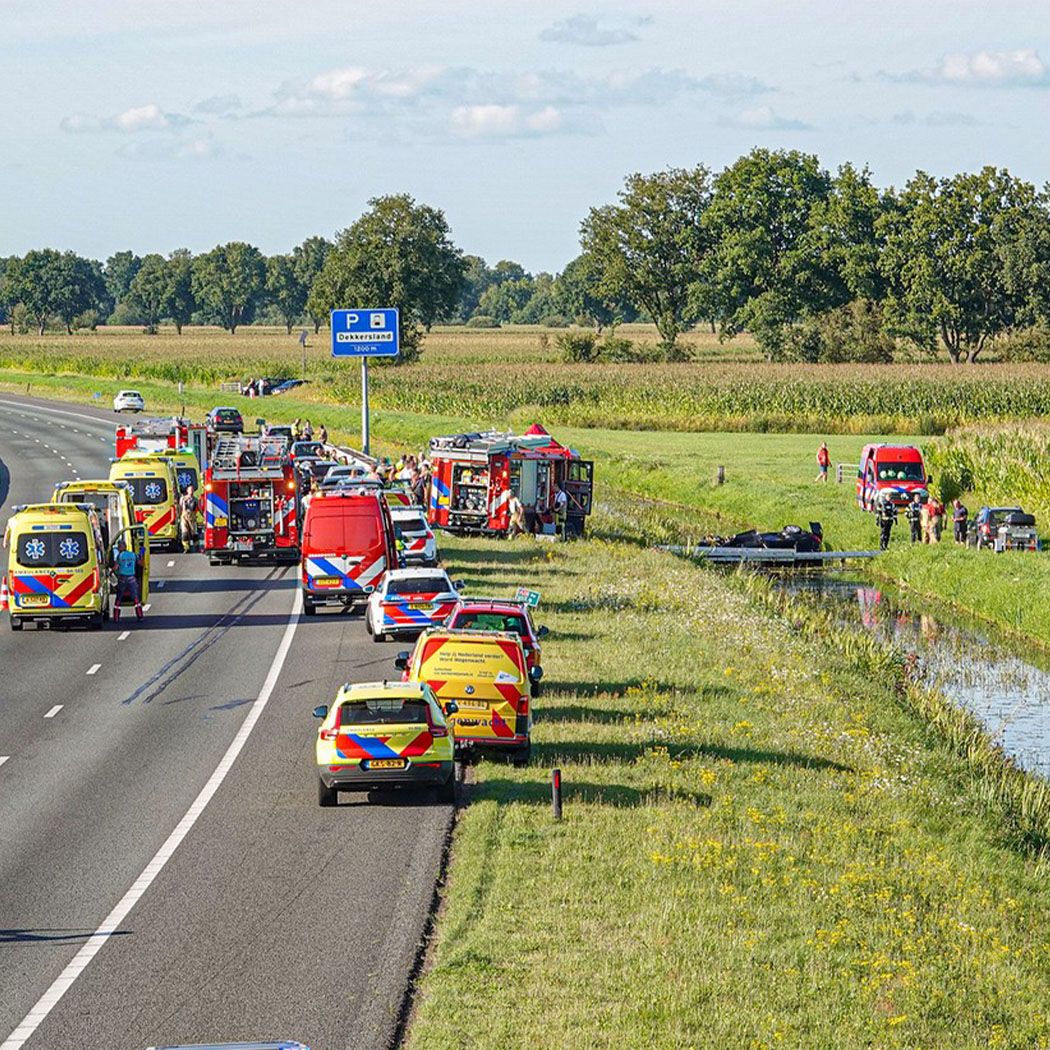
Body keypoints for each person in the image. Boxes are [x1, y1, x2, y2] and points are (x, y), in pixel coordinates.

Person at [112, 540, 143, 621]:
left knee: (119, 598)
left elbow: (116, 567)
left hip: (122, 578)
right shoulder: (133, 555)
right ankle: (140, 615)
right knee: (136, 598)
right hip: (132, 578)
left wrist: (110, 572)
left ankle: (116, 617)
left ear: (120, 547)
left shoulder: (120, 556)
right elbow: (140, 563)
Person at [178, 485, 199, 552]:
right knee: (185, 533)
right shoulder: (183, 499)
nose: (191, 491)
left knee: (194, 533)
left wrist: (204, 516)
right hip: (184, 517)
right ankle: (186, 547)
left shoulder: (195, 500)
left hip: (192, 517)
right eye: (190, 490)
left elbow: (199, 508)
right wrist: (178, 517)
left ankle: (197, 547)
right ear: (187, 491)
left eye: (192, 490)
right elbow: (180, 508)